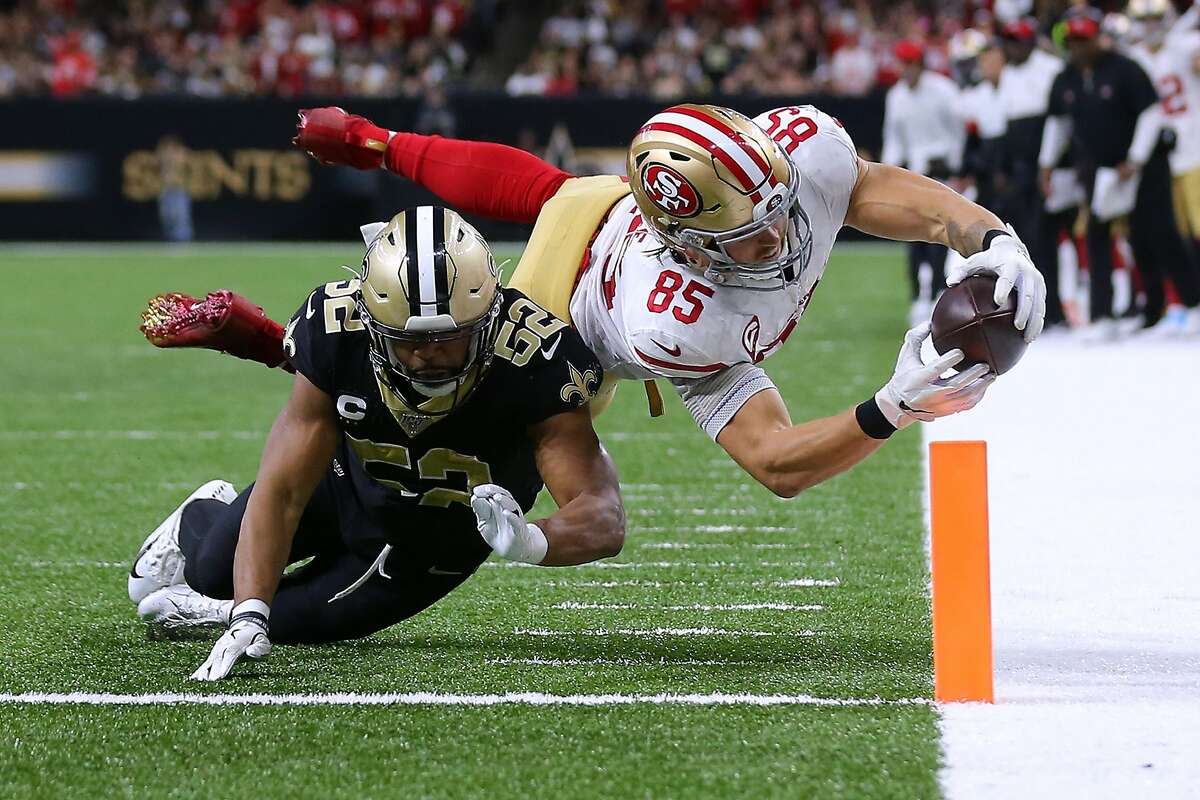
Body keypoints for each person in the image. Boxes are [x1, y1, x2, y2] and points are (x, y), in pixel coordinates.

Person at [150, 100, 1045, 500]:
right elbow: (778, 463)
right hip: (570, 317)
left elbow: (868, 189)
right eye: (748, 239)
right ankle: (274, 343)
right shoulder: (680, 321)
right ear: (687, 245)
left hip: (597, 206)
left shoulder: (791, 157)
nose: (780, 241)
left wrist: (990, 237)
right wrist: (890, 408)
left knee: (551, 190)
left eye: (776, 208)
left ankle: (385, 143)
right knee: (430, 440)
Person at [131, 206, 624, 681]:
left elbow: (601, 512)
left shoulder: (537, 361)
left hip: (435, 541)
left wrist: (530, 541)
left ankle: (219, 612)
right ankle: (203, 519)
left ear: (490, 317)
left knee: (294, 625)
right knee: (212, 569)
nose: (428, 358)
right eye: (407, 341)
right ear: (369, 323)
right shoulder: (335, 327)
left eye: (449, 339)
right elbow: (282, 492)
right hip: (346, 482)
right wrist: (249, 612)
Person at [1039, 6, 1200, 338]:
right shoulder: (1065, 77)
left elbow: (1151, 112)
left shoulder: (1125, 68)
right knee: (1098, 237)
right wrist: (1047, 162)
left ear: (1099, 38)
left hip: (1142, 167)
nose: (1079, 47)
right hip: (1098, 170)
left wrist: (1136, 159)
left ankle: (1192, 302)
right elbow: (1059, 123)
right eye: (1074, 40)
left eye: (1085, 39)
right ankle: (1104, 315)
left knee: (1156, 234)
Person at [1125, 0, 1200, 333]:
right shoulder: (1134, 59)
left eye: (1156, 18)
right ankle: (1186, 302)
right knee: (1174, 235)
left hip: (1195, 147)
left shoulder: (1185, 46)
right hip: (1161, 159)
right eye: (1146, 20)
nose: (1152, 26)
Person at [881, 40, 967, 324]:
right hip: (912, 173)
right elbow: (893, 139)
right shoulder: (896, 96)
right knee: (912, 235)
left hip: (940, 170)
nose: (907, 70)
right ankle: (919, 294)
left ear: (920, 64)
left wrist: (956, 165)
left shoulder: (943, 90)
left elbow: (958, 132)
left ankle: (941, 291)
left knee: (940, 235)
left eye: (911, 64)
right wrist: (887, 173)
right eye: (903, 64)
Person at [998, 17, 1070, 329]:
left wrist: (1051, 162)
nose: (1014, 47)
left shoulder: (1049, 69)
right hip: (1019, 164)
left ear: (1030, 42)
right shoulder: (1008, 73)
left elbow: (1058, 121)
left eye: (1019, 41)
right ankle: (1029, 310)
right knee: (1023, 239)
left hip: (1044, 157)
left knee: (1045, 238)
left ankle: (1053, 311)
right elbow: (1007, 120)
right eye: (1010, 41)